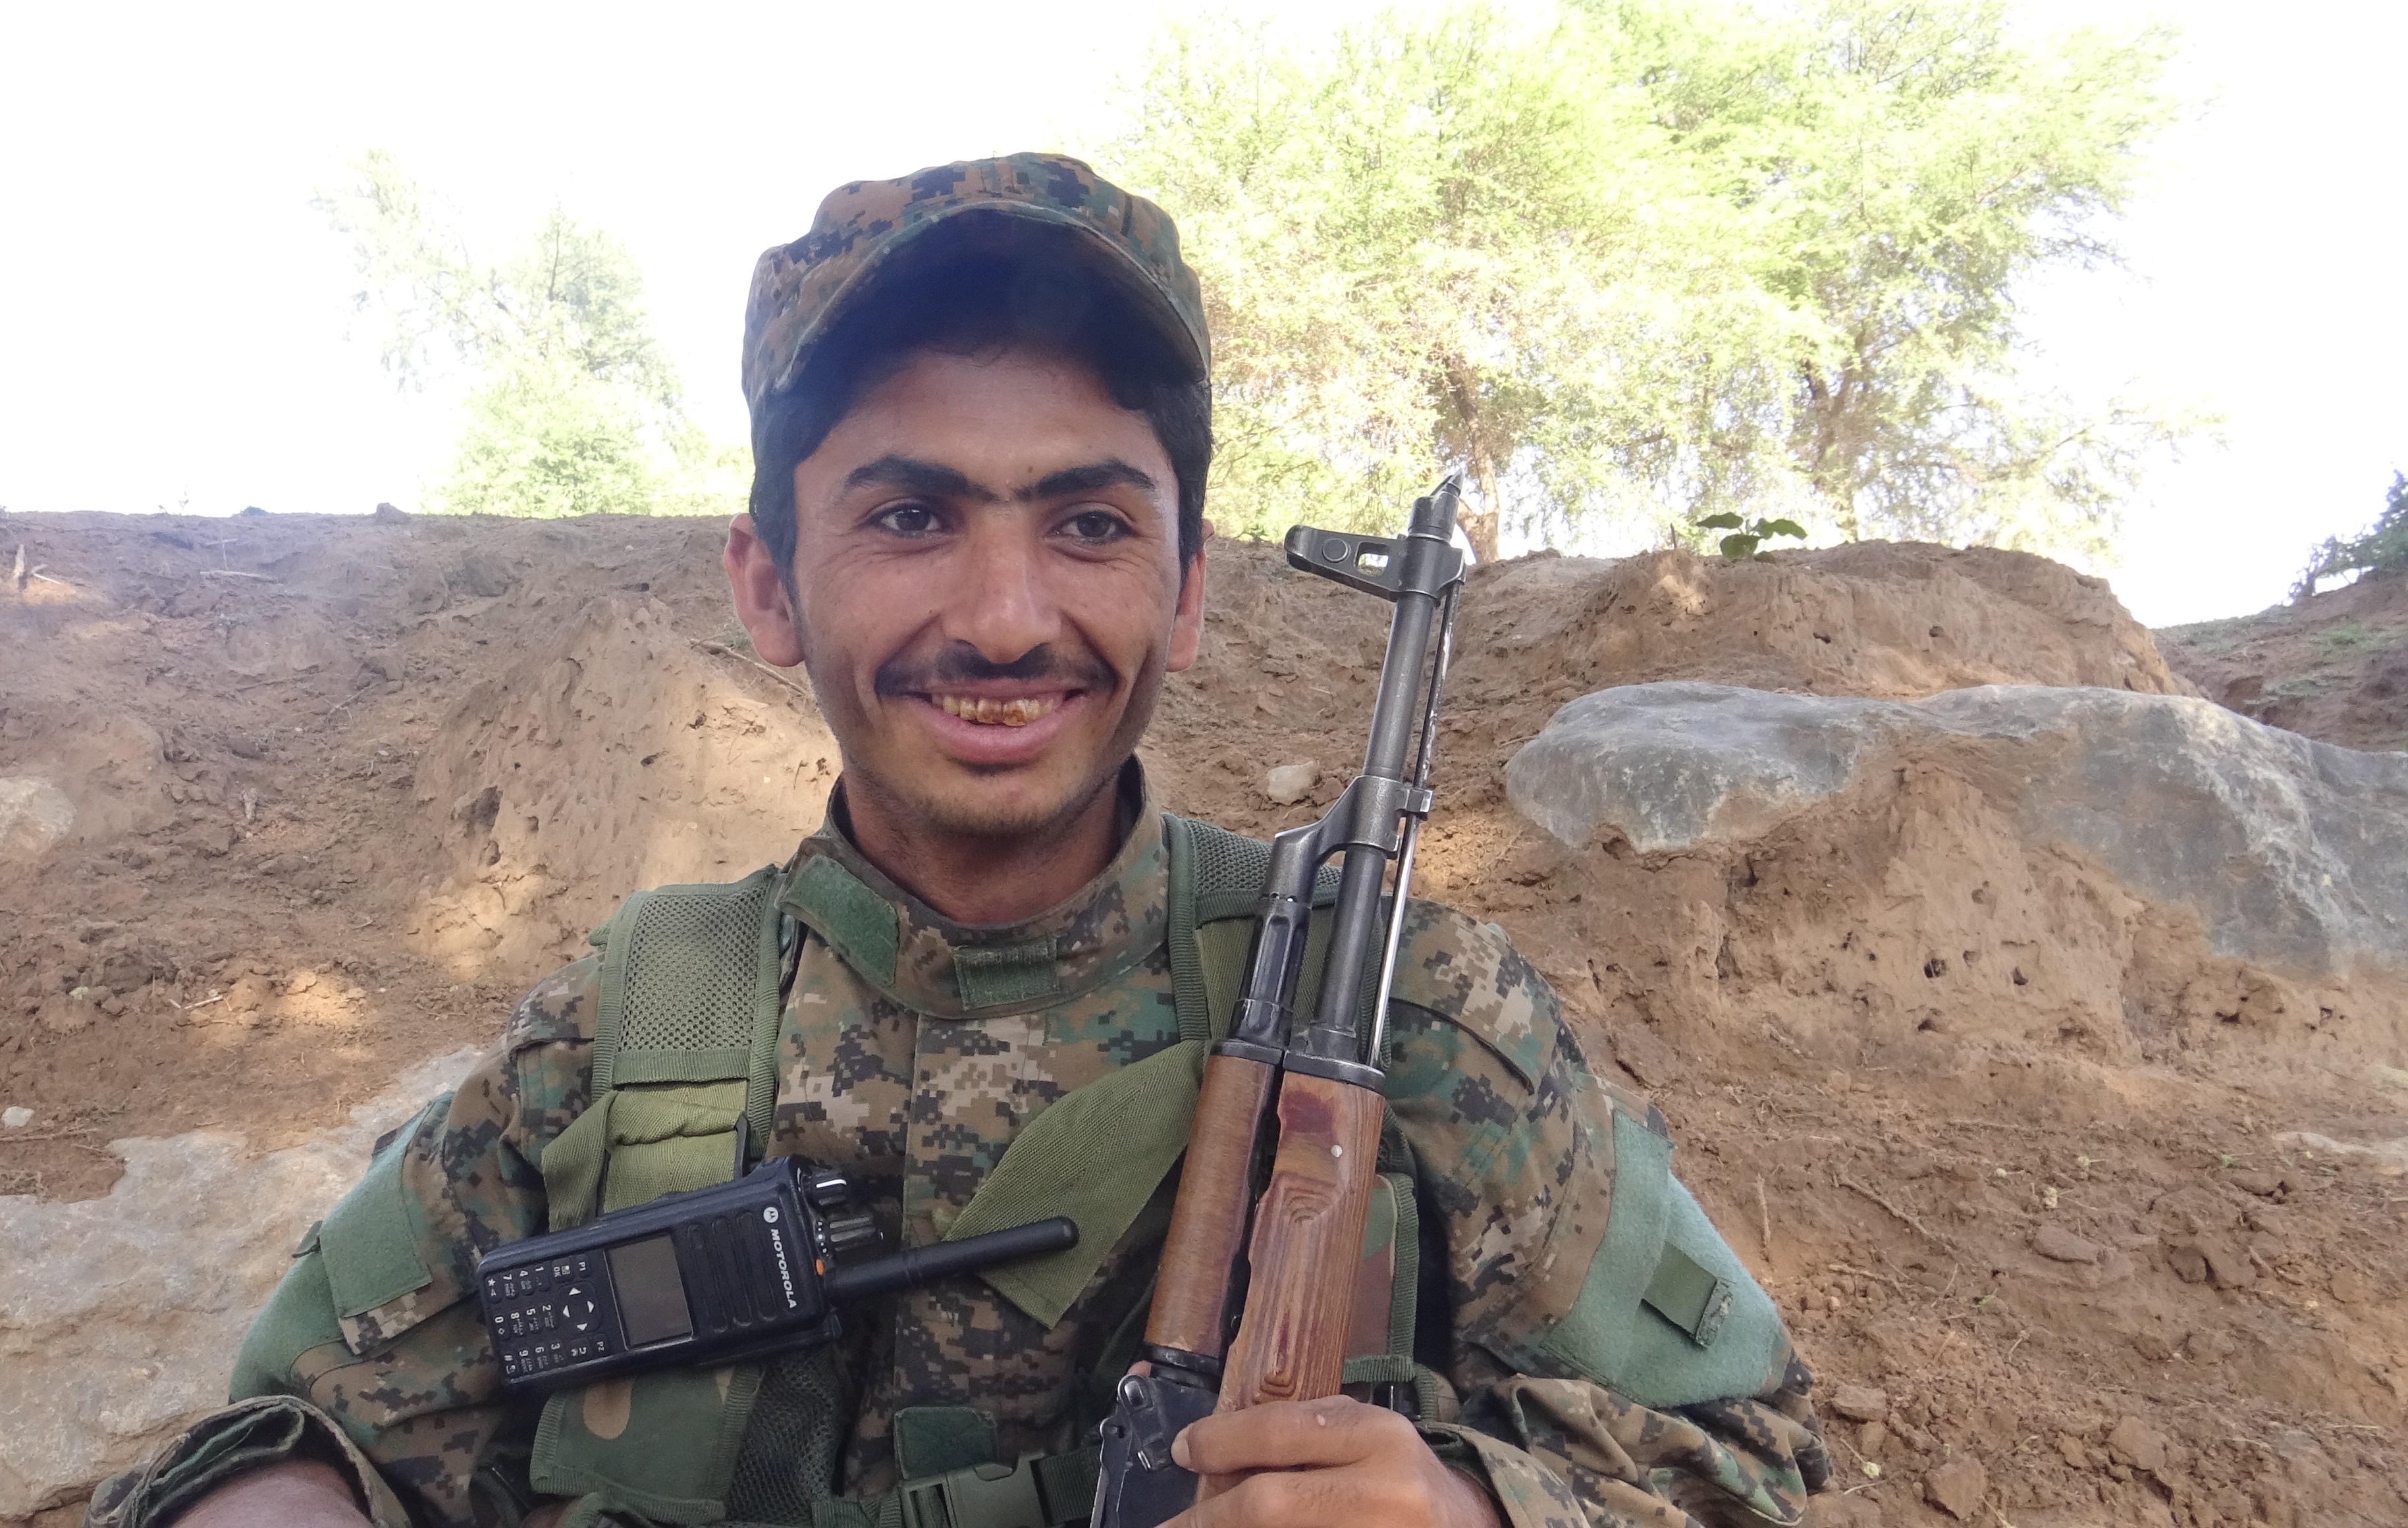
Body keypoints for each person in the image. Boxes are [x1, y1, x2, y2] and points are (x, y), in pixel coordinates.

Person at [88, 155, 1831, 1528]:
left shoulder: (1404, 1018)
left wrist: (1472, 1507)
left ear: (1188, 590)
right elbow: (306, 1428)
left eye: (1090, 524)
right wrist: (277, 1500)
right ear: (769, 585)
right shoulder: (626, 1034)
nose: (1005, 619)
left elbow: (1747, 1456)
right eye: (911, 516)